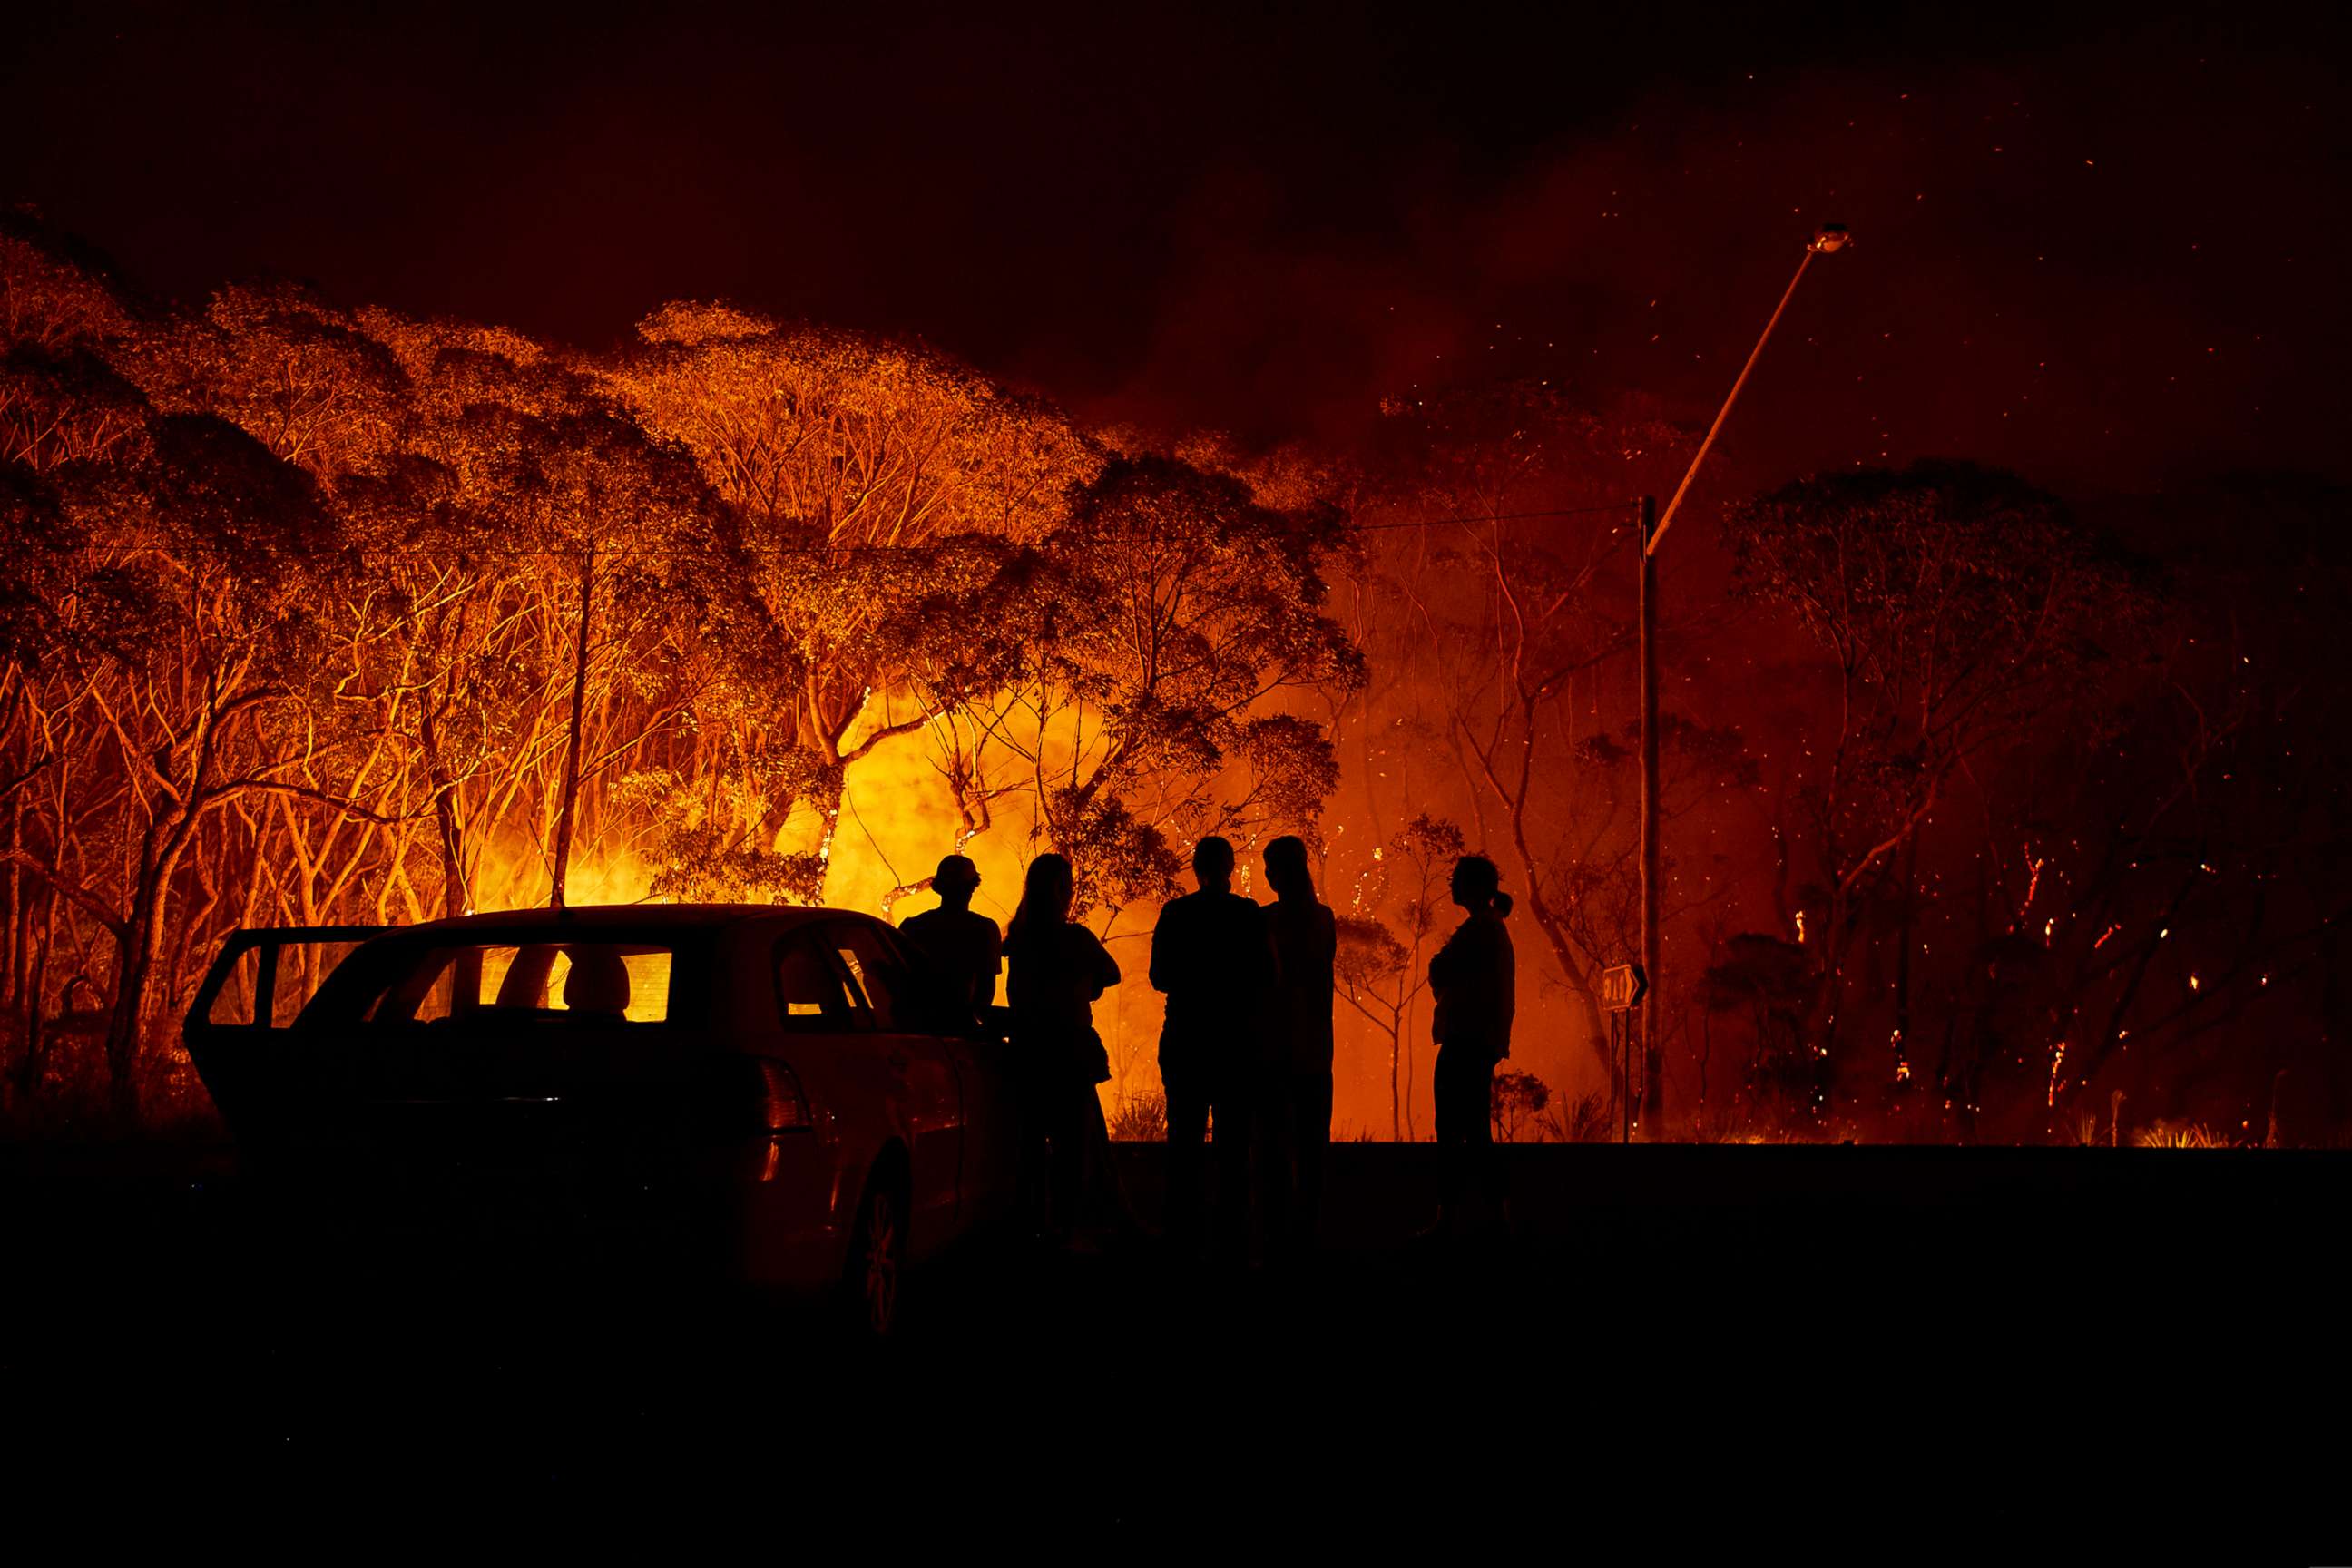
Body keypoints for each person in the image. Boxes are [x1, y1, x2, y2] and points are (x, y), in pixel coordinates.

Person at [1149, 835, 1277, 1262]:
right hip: (1235, 1044)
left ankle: (1181, 1236)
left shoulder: (1176, 913)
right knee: (1234, 1145)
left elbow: (1160, 977)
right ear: (1231, 867)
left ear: (1196, 868)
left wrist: (1195, 979)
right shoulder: (1247, 914)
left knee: (1183, 1143)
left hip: (1186, 1039)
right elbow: (1267, 976)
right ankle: (1233, 1238)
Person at [1003, 853, 1122, 1246]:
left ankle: (1032, 1225)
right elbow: (1111, 973)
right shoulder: (1075, 939)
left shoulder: (1017, 939)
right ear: (1061, 890)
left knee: (1030, 1145)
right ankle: (1066, 1229)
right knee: (1073, 1148)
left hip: (1028, 1053)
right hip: (1068, 1054)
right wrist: (1084, 988)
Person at [1426, 854, 1515, 1235]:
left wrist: (1439, 966)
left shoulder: (1479, 930)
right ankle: (1491, 1215)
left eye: (1457, 879)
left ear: (1473, 887)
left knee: (1453, 1130)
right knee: (1475, 1129)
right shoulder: (1489, 928)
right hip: (1478, 1040)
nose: (1451, 885)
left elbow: (1441, 970)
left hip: (1466, 1039)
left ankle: (1452, 1218)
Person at [1259, 836, 1337, 1259]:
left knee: (1273, 1148)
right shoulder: (1322, 919)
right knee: (1311, 1150)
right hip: (1314, 1051)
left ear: (1276, 873)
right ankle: (1308, 1235)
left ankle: (1275, 1236)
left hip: (1274, 1052)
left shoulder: (1266, 921)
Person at [897, 854, 1002, 1014]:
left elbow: (897, 982)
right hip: (962, 1027)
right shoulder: (984, 929)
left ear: (938, 887)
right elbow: (985, 990)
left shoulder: (912, 927)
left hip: (917, 1024)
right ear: (972, 887)